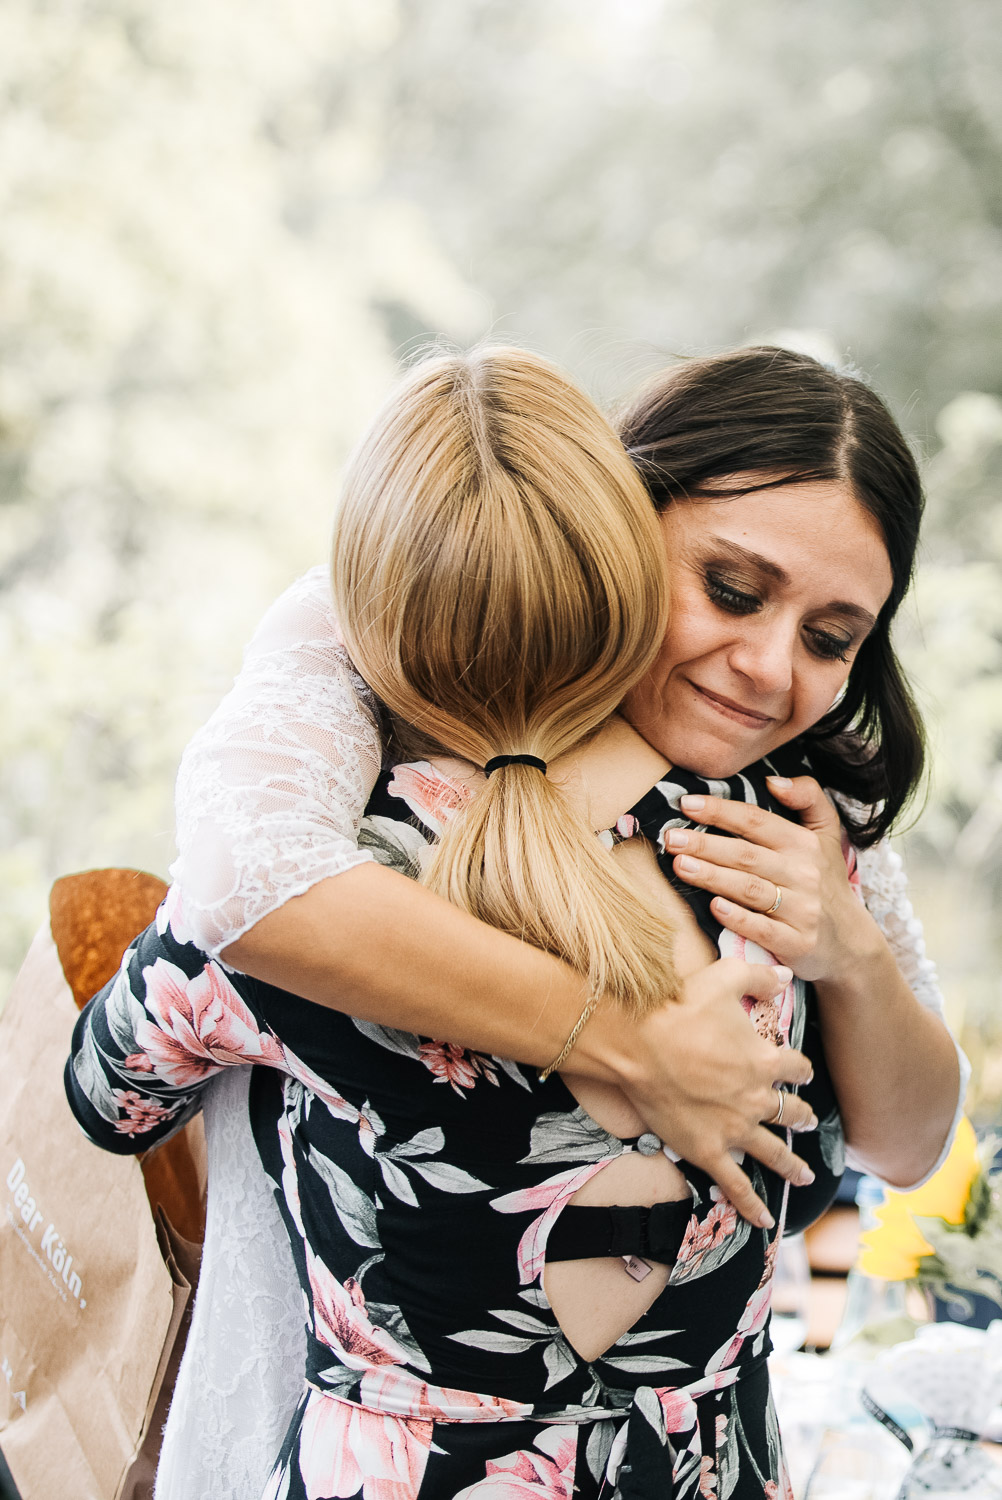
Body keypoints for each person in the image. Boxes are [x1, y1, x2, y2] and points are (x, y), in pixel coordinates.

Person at [67, 344, 963, 1498]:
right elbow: (855, 1165)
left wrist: (851, 948)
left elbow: (109, 1095)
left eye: (832, 639)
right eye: (732, 590)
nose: (766, 667)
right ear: (610, 529)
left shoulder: (353, 868)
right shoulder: (315, 884)